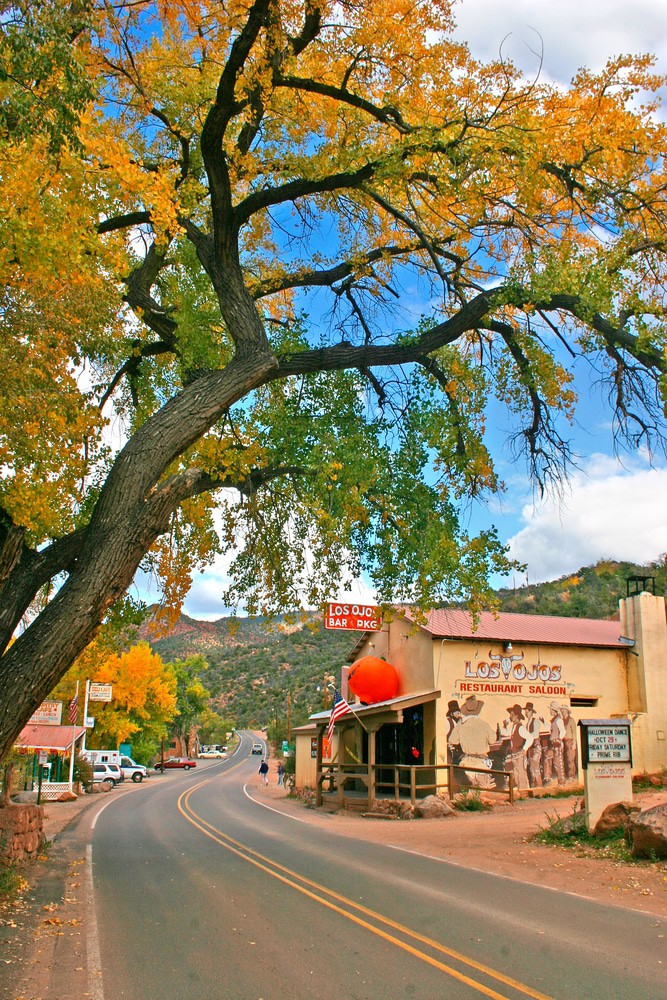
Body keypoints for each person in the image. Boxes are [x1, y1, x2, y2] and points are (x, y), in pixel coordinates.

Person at [449, 695, 494, 788]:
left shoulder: (460, 725)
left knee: (472, 789)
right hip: (481, 763)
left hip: (467, 763)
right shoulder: (484, 724)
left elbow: (452, 740)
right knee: (484, 790)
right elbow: (492, 740)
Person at [543, 701, 565, 786]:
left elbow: (563, 731)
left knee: (558, 763)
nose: (550, 711)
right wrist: (543, 722)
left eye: (551, 710)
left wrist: (559, 739)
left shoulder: (559, 720)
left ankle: (561, 782)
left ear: (554, 710)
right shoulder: (554, 721)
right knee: (548, 758)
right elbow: (550, 730)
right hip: (553, 743)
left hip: (557, 743)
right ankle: (547, 777)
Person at [523, 702, 546, 788]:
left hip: (536, 747)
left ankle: (539, 787)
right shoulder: (527, 724)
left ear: (530, 711)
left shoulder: (536, 721)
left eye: (526, 711)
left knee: (535, 768)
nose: (525, 713)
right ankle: (535, 787)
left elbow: (535, 734)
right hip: (530, 748)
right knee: (532, 769)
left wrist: (528, 737)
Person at [560, 704, 578, 782]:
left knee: (571, 759)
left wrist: (574, 743)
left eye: (563, 711)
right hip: (563, 741)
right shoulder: (561, 720)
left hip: (570, 741)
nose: (562, 712)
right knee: (564, 759)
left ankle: (571, 776)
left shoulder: (571, 720)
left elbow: (574, 732)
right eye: (562, 711)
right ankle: (565, 775)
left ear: (567, 711)